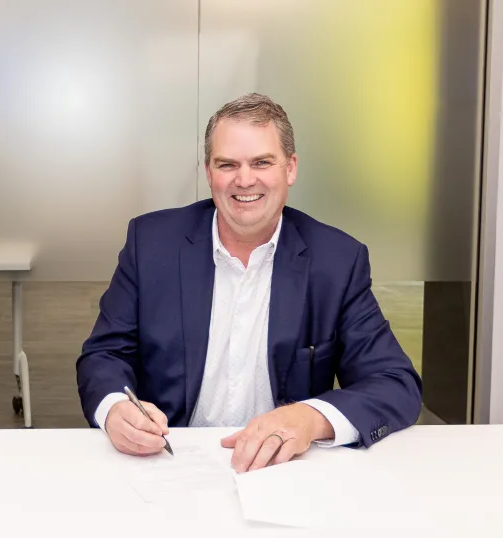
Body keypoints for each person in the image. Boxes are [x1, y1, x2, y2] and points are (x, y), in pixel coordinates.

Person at [76, 93, 421, 472]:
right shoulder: (151, 243)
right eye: (227, 164)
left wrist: (309, 419)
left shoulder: (336, 260)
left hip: (286, 469)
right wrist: (114, 408)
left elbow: (394, 382)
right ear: (209, 173)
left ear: (290, 168)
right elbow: (104, 355)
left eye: (262, 162)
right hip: (167, 464)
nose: (244, 180)